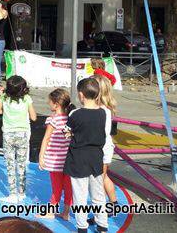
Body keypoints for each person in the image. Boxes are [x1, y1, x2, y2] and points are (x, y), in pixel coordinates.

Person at [64, 77, 108, 233]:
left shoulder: (75, 113)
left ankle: (82, 227)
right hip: (96, 157)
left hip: (78, 158)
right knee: (98, 194)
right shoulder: (103, 113)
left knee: (80, 195)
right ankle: (102, 225)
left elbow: (67, 133)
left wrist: (70, 133)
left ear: (81, 95)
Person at [0, 75, 36, 203]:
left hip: (8, 134)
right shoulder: (27, 99)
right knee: (21, 164)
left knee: (10, 164)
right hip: (22, 133)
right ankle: (22, 192)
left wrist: (6, 112)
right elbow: (33, 117)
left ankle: (12, 194)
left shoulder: (4, 98)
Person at [37, 88, 74, 221]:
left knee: (56, 187)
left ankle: (51, 211)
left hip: (54, 160)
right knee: (68, 186)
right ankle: (66, 212)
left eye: (50, 102)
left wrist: (41, 156)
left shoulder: (53, 120)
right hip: (68, 159)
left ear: (56, 104)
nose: (49, 104)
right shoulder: (70, 119)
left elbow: (46, 139)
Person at [93, 73, 118, 207]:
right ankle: (113, 204)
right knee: (103, 177)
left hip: (101, 149)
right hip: (105, 148)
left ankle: (101, 210)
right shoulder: (105, 109)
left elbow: (100, 131)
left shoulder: (101, 110)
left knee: (98, 181)